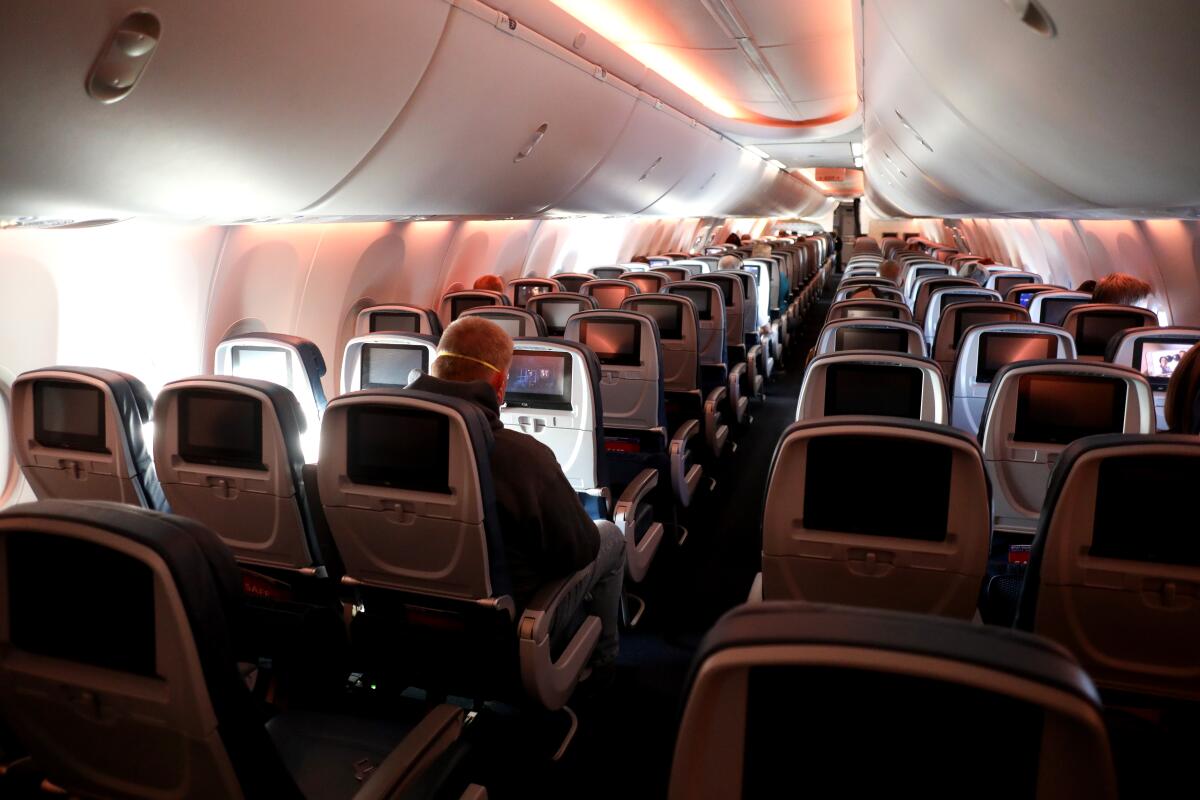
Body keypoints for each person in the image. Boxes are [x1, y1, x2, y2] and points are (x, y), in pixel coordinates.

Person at [408, 316, 625, 676]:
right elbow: (578, 550)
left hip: (402, 624)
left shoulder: (376, 435)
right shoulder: (521, 456)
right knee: (609, 536)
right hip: (507, 628)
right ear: (499, 385)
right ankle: (600, 664)